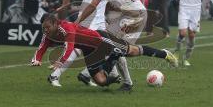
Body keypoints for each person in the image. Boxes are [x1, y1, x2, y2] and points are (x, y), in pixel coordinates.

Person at [55, 0, 133, 91]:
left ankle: (91, 75)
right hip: (88, 19)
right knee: (81, 48)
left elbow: (109, 1)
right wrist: (65, 6)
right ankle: (56, 75)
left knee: (111, 48)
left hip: (100, 21)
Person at [41, 13, 178, 87]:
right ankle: (114, 66)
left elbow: (69, 46)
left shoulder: (65, 27)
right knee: (101, 81)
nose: (46, 31)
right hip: (91, 48)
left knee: (132, 51)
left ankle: (164, 54)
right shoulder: (54, 32)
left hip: (102, 37)